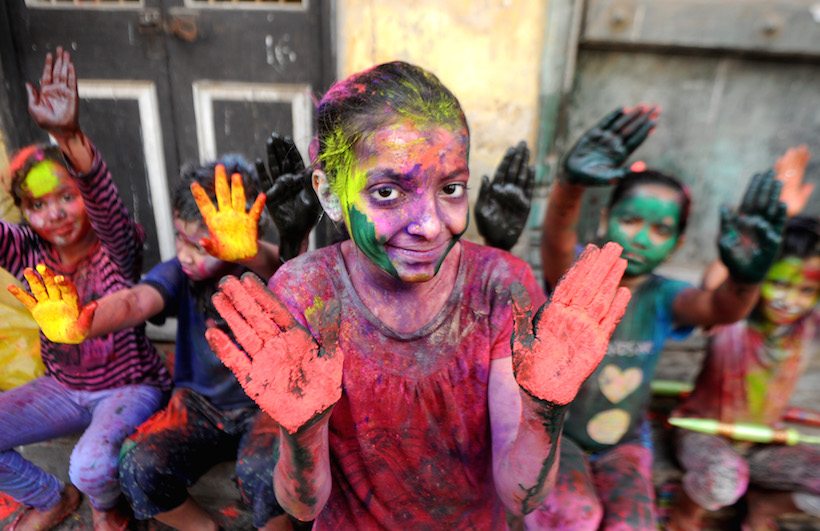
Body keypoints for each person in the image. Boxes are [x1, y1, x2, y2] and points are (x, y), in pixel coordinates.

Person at [204, 60, 631, 529]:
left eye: (451, 188)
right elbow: (303, 506)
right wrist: (302, 432)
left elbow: (520, 497)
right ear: (329, 194)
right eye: (387, 192)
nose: (430, 225)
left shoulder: (500, 287)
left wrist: (545, 410)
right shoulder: (306, 292)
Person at [534, 106, 787, 530]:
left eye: (660, 230)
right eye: (630, 219)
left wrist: (747, 278)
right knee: (576, 516)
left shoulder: (666, 297)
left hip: (626, 444)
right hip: (560, 437)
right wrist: (570, 187)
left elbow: (721, 308)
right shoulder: (578, 275)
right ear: (603, 218)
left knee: (633, 525)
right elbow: (557, 243)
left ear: (677, 242)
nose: (640, 237)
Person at [37, 155, 287, 530]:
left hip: (267, 404)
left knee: (266, 475)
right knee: (138, 464)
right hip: (198, 406)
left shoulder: (263, 267)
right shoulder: (179, 273)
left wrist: (249, 252)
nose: (185, 254)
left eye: (199, 246)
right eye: (180, 239)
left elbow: (278, 267)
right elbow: (135, 301)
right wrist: (83, 323)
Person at [0, 47, 170, 530]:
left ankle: (107, 505)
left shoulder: (116, 241)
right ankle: (51, 498)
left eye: (66, 197)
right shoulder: (26, 249)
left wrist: (68, 135)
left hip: (130, 387)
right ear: (25, 213)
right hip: (64, 388)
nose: (53, 214)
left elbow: (103, 195)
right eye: (38, 205)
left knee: (90, 466)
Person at [668, 216, 820, 531]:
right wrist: (752, 238)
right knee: (724, 479)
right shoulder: (728, 316)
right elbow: (715, 283)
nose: (789, 301)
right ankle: (684, 514)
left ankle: (766, 508)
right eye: (778, 283)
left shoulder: (809, 326)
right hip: (704, 436)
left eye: (806, 290)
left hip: (765, 446)